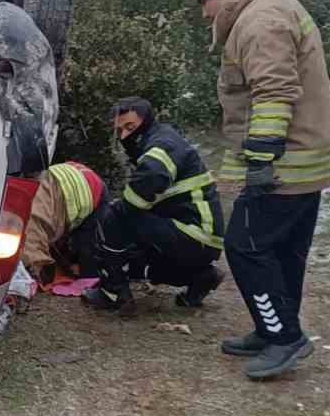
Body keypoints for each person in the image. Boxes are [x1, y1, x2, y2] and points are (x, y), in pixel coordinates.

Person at [191, 0, 330, 380]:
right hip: (305, 158)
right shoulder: (274, 5)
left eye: (205, 3)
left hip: (283, 164)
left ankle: (284, 337)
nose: (205, 14)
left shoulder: (260, 21)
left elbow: (273, 91)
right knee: (283, 251)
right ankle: (271, 328)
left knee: (244, 245)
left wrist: (260, 157)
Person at [82, 98, 224, 315]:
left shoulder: (161, 144)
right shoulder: (162, 138)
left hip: (191, 233)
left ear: (146, 121)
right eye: (119, 130)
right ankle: (202, 277)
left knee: (112, 217)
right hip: (201, 240)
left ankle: (113, 293)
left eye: (130, 127)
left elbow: (152, 176)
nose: (125, 136)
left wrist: (121, 211)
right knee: (134, 256)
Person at [21, 161, 110, 284]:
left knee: (87, 246)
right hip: (68, 177)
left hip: (92, 191)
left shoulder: (29, 228)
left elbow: (36, 263)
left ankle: (90, 279)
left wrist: (36, 276)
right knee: (65, 244)